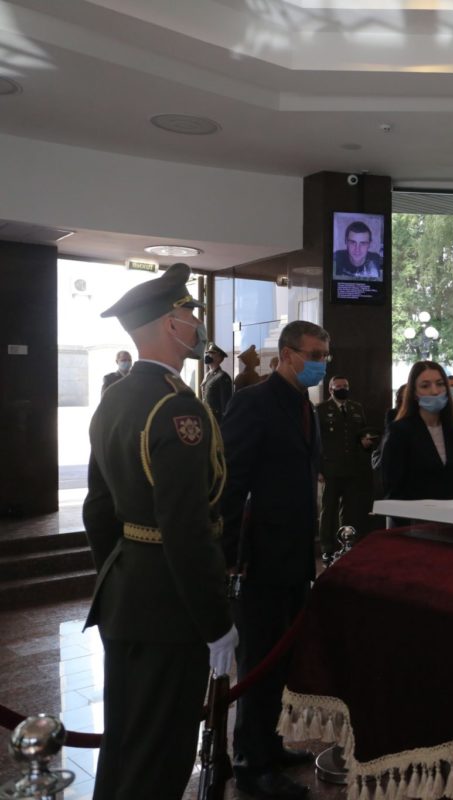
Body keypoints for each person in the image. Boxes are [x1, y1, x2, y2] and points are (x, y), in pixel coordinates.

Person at [81, 263, 236, 800]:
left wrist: (123, 572)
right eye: (191, 314)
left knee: (124, 742)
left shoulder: (115, 399)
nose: (197, 325)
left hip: (125, 594)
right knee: (161, 753)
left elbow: (97, 508)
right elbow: (187, 528)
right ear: (173, 324)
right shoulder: (176, 407)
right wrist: (216, 623)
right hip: (171, 606)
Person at [221, 320, 330, 799]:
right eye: (314, 354)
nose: (321, 363)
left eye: (325, 355)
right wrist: (229, 557)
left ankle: (271, 743)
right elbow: (231, 484)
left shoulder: (306, 407)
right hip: (259, 559)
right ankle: (250, 761)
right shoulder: (253, 403)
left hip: (295, 557)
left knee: (281, 661)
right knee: (257, 663)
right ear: (286, 355)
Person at [380, 361, 453, 517]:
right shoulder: (400, 431)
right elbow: (393, 488)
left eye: (440, 384)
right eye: (425, 386)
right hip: (415, 521)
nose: (435, 391)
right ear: (414, 393)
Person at [317, 376, 375, 564]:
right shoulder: (321, 409)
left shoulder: (356, 408)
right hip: (330, 469)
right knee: (328, 511)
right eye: (338, 386)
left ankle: (347, 545)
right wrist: (318, 468)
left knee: (349, 510)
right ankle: (327, 548)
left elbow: (362, 433)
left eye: (345, 386)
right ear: (330, 389)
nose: (342, 389)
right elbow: (317, 441)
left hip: (352, 467)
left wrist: (366, 441)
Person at [200, 343, 234, 423]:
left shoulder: (223, 377)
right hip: (207, 417)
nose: (208, 355)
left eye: (211, 353)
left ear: (219, 358)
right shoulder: (208, 375)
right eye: (207, 353)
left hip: (217, 420)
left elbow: (225, 404)